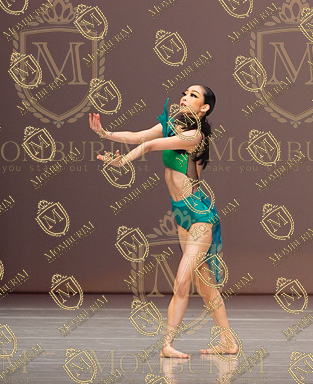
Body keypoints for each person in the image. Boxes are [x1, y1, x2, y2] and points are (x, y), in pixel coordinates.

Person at [89, 85, 238, 359]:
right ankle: (228, 342)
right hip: (182, 215)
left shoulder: (193, 136)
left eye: (194, 96)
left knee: (182, 281)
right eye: (185, 93)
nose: (185, 98)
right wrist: (105, 133)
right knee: (204, 284)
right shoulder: (171, 126)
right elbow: (138, 137)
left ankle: (167, 343)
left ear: (204, 108)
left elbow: (149, 146)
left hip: (199, 215)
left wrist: (123, 162)